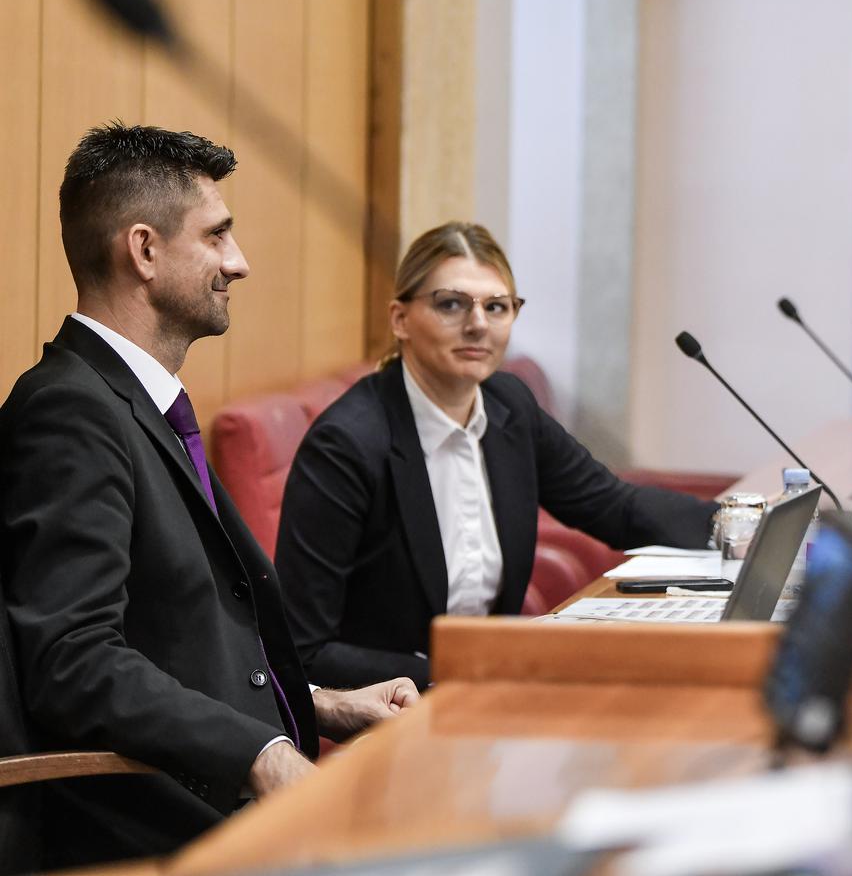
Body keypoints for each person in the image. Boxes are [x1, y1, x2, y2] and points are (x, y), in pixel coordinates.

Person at [0, 124, 420, 869]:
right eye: (219, 236)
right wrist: (261, 752)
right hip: (149, 828)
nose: (241, 262)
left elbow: (173, 635)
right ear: (145, 250)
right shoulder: (68, 412)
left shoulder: (130, 403)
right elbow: (73, 659)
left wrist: (320, 702)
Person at [274, 222, 719, 689]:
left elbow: (614, 506)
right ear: (400, 319)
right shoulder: (347, 444)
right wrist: (478, 669)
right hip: (392, 709)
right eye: (451, 304)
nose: (478, 324)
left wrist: (739, 527)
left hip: (491, 692)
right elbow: (305, 651)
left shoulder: (510, 407)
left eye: (496, 307)